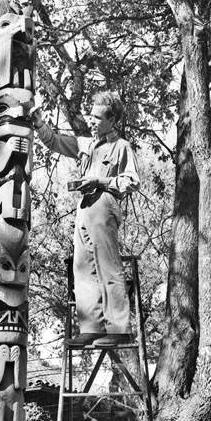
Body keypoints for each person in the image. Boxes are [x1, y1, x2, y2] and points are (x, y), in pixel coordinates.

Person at [32, 91, 140, 347]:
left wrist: (100, 181)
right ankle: (90, 327)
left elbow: (131, 181)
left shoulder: (121, 147)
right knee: (82, 267)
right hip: (83, 207)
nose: (92, 121)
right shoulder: (86, 145)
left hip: (104, 204)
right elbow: (55, 142)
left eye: (98, 117)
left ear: (112, 120)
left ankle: (119, 329)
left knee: (108, 266)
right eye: (91, 116)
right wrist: (39, 123)